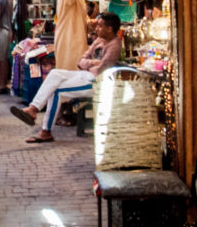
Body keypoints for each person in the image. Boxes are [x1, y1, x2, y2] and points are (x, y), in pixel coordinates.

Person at [10, 12, 122, 143]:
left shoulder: (114, 45)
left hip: (97, 81)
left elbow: (102, 68)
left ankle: (46, 131)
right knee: (54, 73)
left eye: (100, 26)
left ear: (109, 29)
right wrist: (92, 63)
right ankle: (33, 108)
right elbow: (81, 61)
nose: (96, 28)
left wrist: (89, 64)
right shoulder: (99, 40)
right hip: (86, 74)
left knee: (56, 91)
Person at [54, 0, 88, 71]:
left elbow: (82, 17)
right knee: (69, 71)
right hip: (68, 39)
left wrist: (90, 22)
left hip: (78, 38)